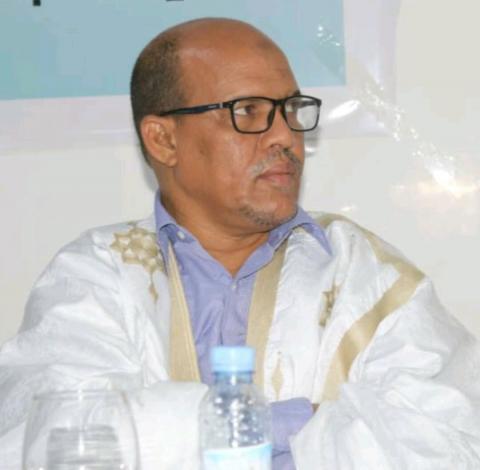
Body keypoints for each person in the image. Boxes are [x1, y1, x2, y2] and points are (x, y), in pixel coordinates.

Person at [1, 17, 480, 470]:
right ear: (163, 140)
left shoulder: (362, 272)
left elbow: (451, 439)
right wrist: (285, 424)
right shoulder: (97, 273)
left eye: (290, 110)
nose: (285, 136)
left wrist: (175, 433)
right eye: (249, 111)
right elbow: (51, 437)